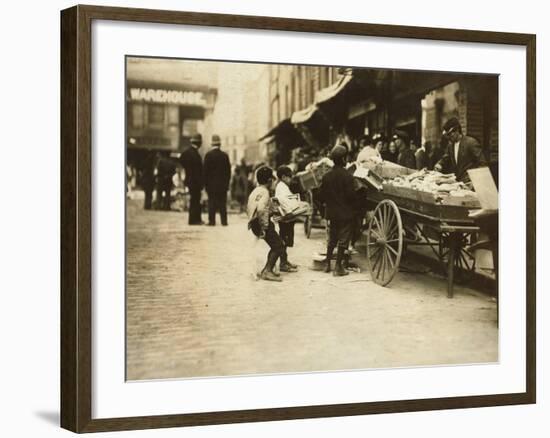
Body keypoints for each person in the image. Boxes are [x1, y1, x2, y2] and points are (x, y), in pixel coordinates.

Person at [319, 145, 357, 277]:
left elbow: (320, 196)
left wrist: (326, 208)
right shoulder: (348, 176)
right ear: (343, 159)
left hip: (332, 213)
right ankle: (338, 267)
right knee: (343, 240)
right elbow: (351, 196)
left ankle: (327, 264)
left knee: (332, 238)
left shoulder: (326, 177)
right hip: (345, 214)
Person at [247, 166, 285, 282]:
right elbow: (261, 210)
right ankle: (267, 271)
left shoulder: (255, 191)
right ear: (269, 181)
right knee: (279, 246)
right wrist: (264, 227)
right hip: (261, 224)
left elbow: (252, 208)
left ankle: (268, 269)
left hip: (254, 222)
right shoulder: (265, 192)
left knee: (276, 244)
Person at [434, 117, 487, 182]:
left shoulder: (471, 143)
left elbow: (483, 164)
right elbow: (445, 158)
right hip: (459, 182)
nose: (449, 137)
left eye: (450, 134)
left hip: (471, 182)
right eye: (447, 135)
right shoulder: (451, 146)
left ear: (457, 130)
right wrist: (439, 164)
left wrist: (475, 181)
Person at [275, 165, 299, 272]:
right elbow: (283, 201)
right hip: (286, 216)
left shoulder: (283, 186)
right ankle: (283, 263)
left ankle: (285, 260)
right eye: (289, 177)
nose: (290, 179)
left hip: (287, 216)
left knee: (286, 239)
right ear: (284, 177)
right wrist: (290, 211)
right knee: (284, 239)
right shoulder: (281, 187)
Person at [203, 134, 231, 226]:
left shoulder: (208, 156)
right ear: (220, 144)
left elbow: (205, 172)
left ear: (212, 144)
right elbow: (228, 172)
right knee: (223, 203)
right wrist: (227, 183)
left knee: (212, 202)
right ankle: (224, 221)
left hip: (211, 185)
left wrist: (205, 184)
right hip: (222, 185)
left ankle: (212, 221)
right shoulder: (225, 156)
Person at [179, 133, 204, 225]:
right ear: (199, 143)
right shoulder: (196, 155)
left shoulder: (186, 153)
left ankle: (194, 219)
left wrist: (188, 170)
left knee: (193, 200)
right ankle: (194, 220)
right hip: (196, 182)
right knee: (196, 201)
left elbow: (181, 161)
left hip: (189, 180)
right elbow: (199, 171)